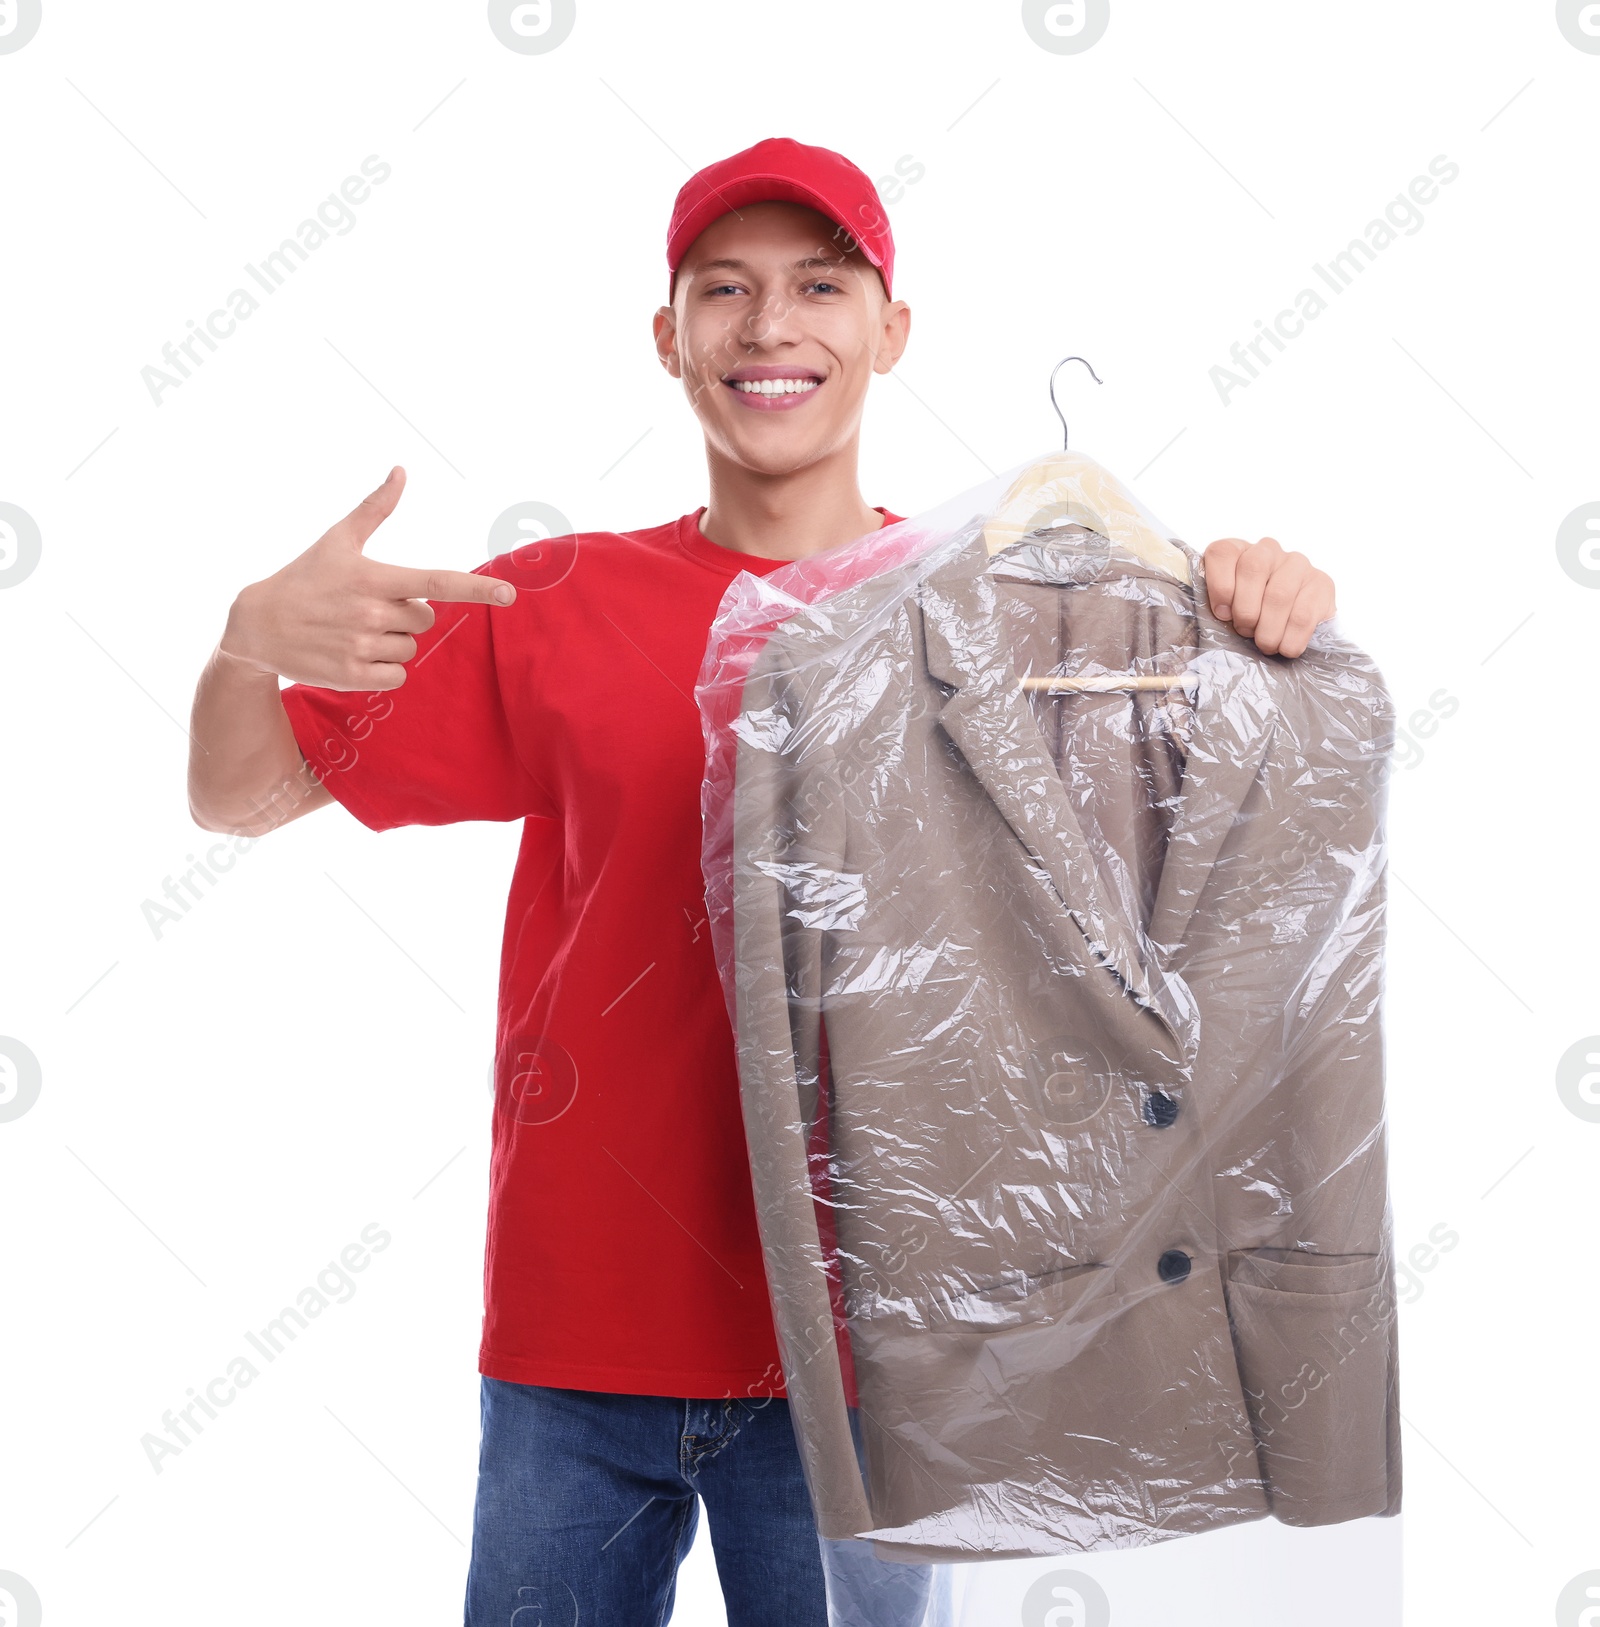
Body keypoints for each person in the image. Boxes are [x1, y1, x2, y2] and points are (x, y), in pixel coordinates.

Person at [186, 137, 1341, 1626]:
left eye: (817, 284)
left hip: (864, 1357)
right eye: (723, 290)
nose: (768, 325)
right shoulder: (553, 602)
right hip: (573, 1346)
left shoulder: (1002, 619)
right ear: (670, 339)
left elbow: (1208, 884)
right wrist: (244, 643)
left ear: (888, 331)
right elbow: (238, 797)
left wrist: (1262, 608)